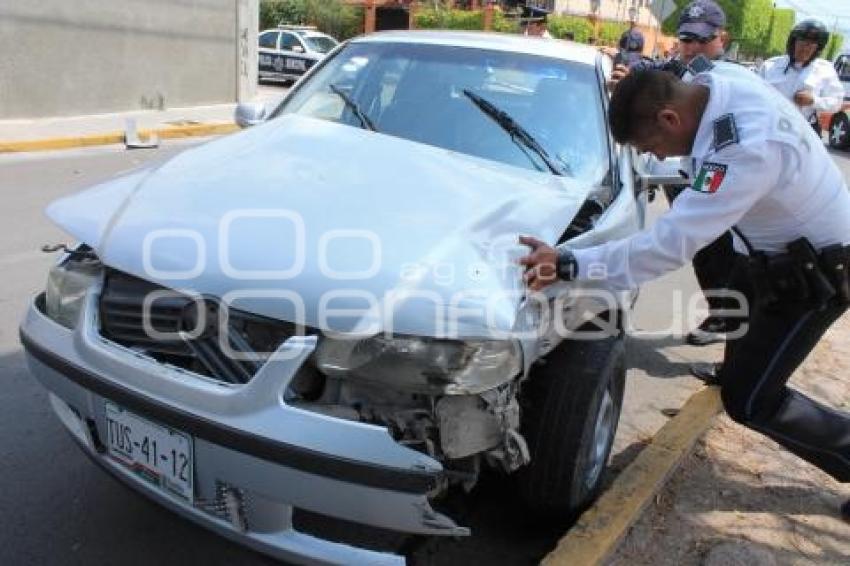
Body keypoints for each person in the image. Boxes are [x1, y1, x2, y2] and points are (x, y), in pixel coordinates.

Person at [519, 69, 850, 517]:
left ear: (670, 118)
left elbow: (667, 247)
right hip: (771, 254)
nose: (653, 157)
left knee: (750, 400)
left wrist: (569, 264)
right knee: (740, 337)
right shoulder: (718, 81)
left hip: (816, 277)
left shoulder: (745, 150)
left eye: (649, 147)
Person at [612, 1, 753, 349]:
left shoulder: (734, 79)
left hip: (727, 180)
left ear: (722, 38)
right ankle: (721, 311)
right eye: (686, 38)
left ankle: (732, 319)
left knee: (729, 253)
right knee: (702, 253)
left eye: (700, 40)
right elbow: (648, 72)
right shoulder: (677, 69)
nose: (691, 48)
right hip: (682, 175)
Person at [759, 20, 843, 135]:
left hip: (804, 132)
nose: (805, 48)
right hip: (769, 128)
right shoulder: (770, 66)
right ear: (793, 42)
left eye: (811, 44)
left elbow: (836, 103)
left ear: (818, 48)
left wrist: (813, 101)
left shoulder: (825, 70)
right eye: (802, 42)